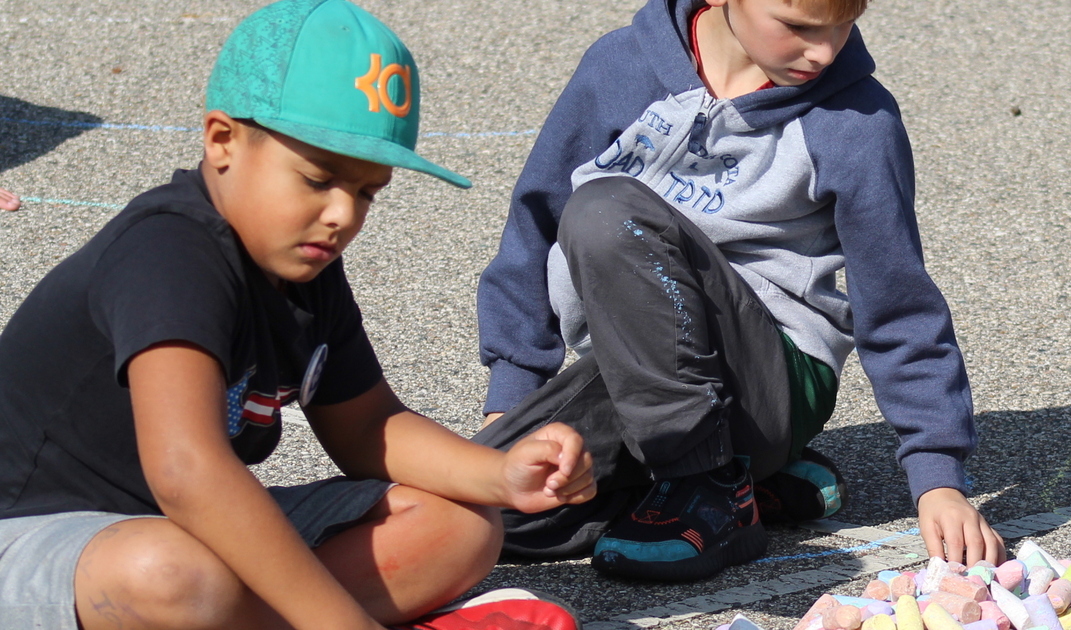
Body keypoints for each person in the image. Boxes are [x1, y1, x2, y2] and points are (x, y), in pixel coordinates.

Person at [0, 1, 596, 628]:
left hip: (176, 528)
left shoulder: (304, 269)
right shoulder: (169, 250)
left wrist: (501, 474)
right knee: (170, 577)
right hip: (43, 535)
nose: (343, 214)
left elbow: (368, 426)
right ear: (223, 141)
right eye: (318, 179)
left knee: (463, 526)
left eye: (367, 191)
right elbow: (186, 472)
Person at [474, 0, 1003, 581]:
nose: (825, 51)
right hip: (638, 374)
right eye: (799, 27)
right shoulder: (618, 68)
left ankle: (707, 482)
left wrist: (938, 481)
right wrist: (512, 399)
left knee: (606, 211)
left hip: (771, 383)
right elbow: (533, 227)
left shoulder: (855, 120)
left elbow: (898, 306)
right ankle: (748, 486)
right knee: (488, 510)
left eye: (844, 24)